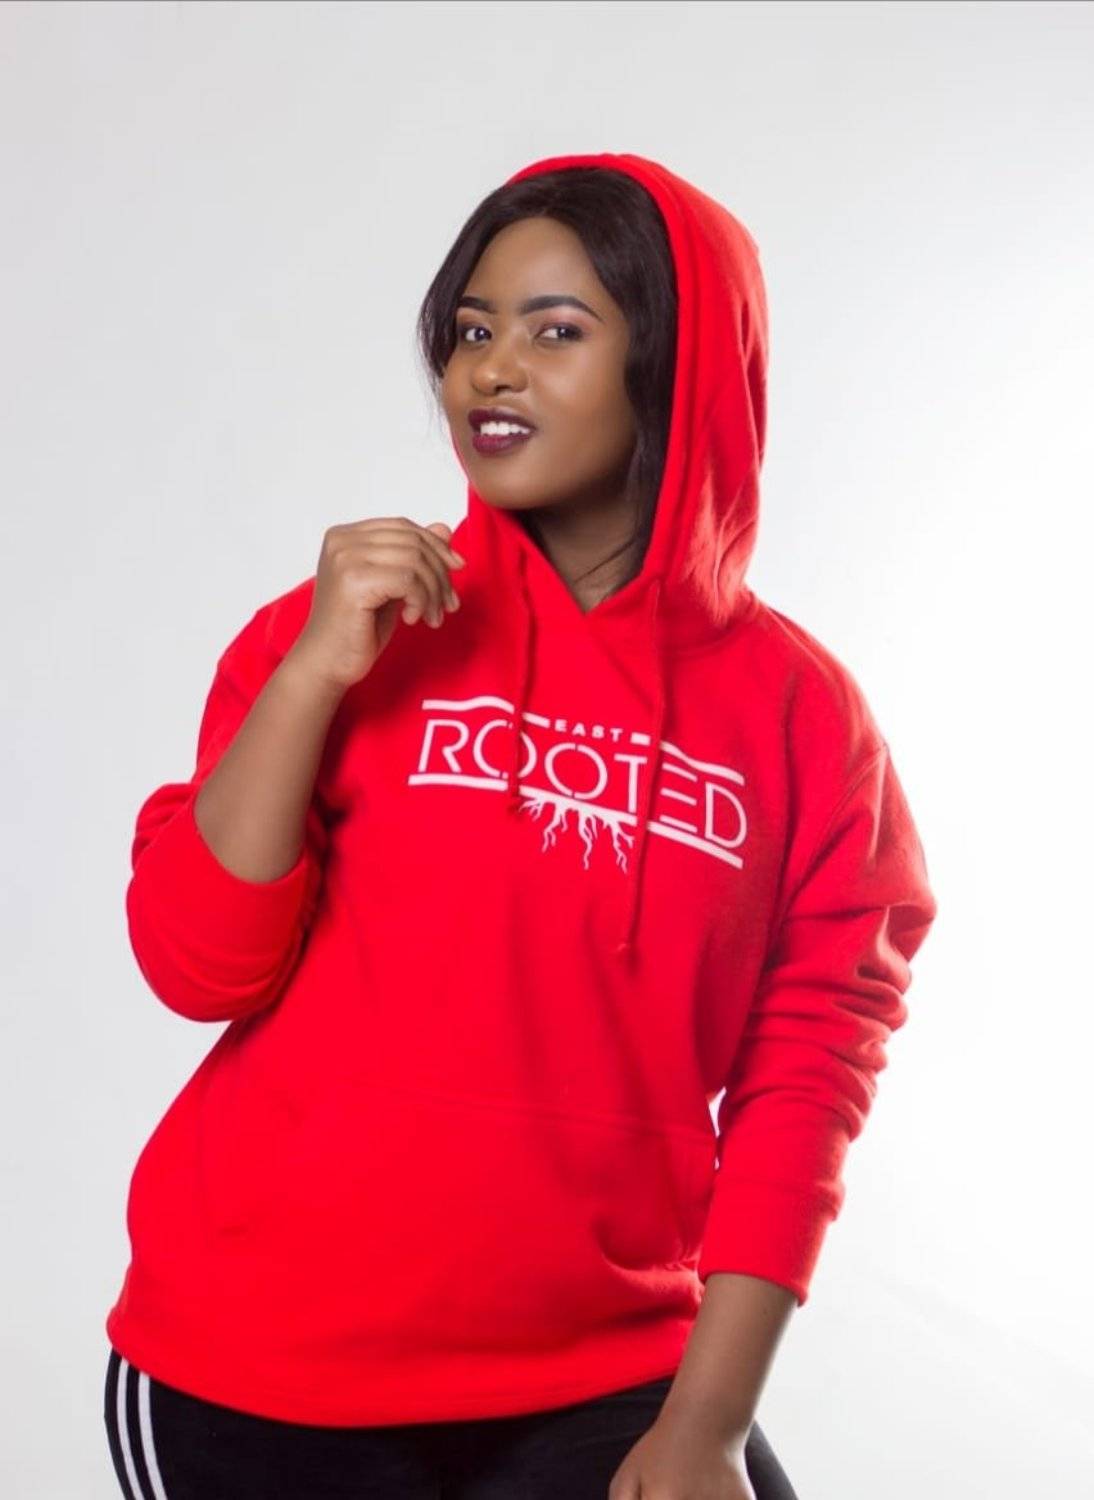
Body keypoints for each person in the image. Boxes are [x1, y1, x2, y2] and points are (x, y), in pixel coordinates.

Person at [103, 150, 937, 1499]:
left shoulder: (802, 718)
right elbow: (198, 966)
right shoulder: (341, 633)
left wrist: (709, 1420)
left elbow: (806, 1077)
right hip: (263, 1370)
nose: (490, 371)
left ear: (674, 364)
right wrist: (314, 676)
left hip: (603, 1372)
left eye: (556, 333)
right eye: (470, 331)